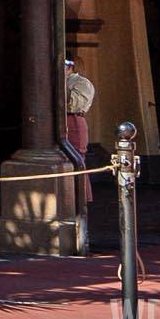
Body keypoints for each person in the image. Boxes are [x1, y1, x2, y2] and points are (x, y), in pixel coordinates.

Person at [63, 55, 97, 210]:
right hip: (60, 121)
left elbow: (74, 104)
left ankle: (81, 196)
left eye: (65, 64)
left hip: (74, 121)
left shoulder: (81, 83)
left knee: (76, 157)